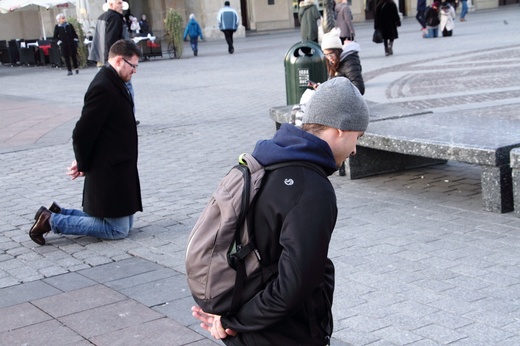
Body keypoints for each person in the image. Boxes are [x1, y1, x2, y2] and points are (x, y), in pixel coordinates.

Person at [191, 77, 369, 345]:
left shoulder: (267, 161)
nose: (355, 149)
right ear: (341, 128)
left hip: (247, 318)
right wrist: (231, 323)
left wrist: (228, 319)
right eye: (358, 136)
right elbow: (293, 285)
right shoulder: (312, 189)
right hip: (281, 333)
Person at [29, 40, 143, 246]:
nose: (135, 71)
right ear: (119, 60)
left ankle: (57, 212)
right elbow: (81, 133)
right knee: (117, 229)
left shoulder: (115, 81)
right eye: (133, 66)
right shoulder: (103, 87)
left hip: (119, 165)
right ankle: (52, 221)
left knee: (124, 224)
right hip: (109, 168)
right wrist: (83, 163)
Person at [320, 28, 364, 95]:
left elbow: (359, 89)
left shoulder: (350, 62)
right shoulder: (334, 62)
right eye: (326, 55)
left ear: (337, 51)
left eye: (331, 54)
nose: (329, 57)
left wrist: (337, 94)